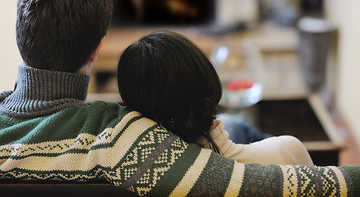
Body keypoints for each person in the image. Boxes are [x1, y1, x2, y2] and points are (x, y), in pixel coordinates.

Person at [0, 0, 359, 196]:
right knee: (242, 131)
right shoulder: (120, 142)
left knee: (234, 125)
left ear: (19, 35)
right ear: (97, 49)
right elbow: (274, 183)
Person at [117, 30, 313, 166]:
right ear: (208, 80)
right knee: (237, 127)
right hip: (236, 151)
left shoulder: (123, 162)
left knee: (232, 124)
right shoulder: (290, 152)